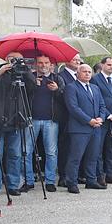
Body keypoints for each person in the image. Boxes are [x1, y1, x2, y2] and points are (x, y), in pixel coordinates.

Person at [0, 51, 37, 197]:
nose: (16, 62)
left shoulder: (23, 73)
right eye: (13, 59)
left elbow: (33, 87)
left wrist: (25, 70)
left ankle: (13, 185)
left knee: (15, 154)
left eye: (19, 59)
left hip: (17, 120)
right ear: (5, 59)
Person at [64, 64, 108, 194]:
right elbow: (73, 108)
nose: (88, 74)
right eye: (84, 71)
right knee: (75, 157)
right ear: (78, 73)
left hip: (96, 128)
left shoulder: (95, 88)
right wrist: (89, 120)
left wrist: (101, 118)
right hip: (79, 128)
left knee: (93, 156)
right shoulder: (71, 87)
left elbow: (102, 105)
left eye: (89, 72)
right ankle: (71, 182)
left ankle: (91, 180)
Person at [26, 55, 65, 192]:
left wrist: (57, 90)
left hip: (51, 120)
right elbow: (22, 96)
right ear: (36, 64)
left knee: (51, 152)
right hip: (31, 119)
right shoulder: (29, 78)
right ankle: (28, 181)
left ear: (50, 64)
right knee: (27, 151)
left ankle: (50, 181)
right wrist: (32, 85)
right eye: (40, 63)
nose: (43, 65)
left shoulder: (57, 78)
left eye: (46, 63)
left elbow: (65, 97)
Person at [91, 56, 112, 185]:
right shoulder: (95, 80)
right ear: (102, 65)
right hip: (102, 120)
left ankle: (110, 174)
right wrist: (110, 116)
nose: (111, 67)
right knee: (98, 149)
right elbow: (97, 101)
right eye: (109, 65)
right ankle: (100, 175)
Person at [57, 53, 81, 187]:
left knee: (75, 148)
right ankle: (63, 176)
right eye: (74, 59)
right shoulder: (61, 76)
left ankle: (74, 175)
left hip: (79, 119)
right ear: (66, 61)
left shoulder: (81, 76)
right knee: (65, 147)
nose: (77, 61)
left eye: (79, 59)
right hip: (66, 117)